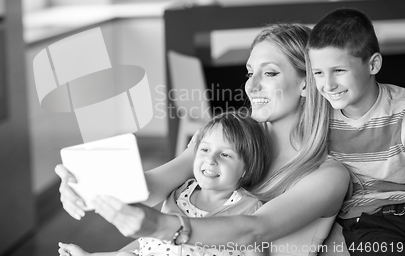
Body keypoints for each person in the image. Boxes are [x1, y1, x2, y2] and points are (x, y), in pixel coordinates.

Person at [56, 23, 351, 256]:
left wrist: (161, 226)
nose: (251, 85)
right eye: (250, 72)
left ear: (306, 83)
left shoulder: (328, 175)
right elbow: (152, 185)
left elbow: (253, 230)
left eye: (270, 73)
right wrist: (85, 184)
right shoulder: (223, 138)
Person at [58, 112, 271, 256]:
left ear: (247, 168)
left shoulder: (249, 208)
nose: (210, 159)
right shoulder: (179, 193)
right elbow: (140, 250)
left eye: (225, 154)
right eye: (204, 150)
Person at [307, 8, 405, 255]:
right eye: (318, 73)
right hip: (367, 220)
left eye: (339, 71)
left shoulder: (400, 109)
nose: (328, 85)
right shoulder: (318, 118)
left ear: (373, 64)